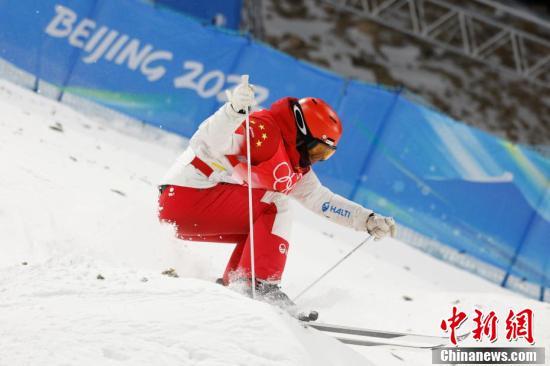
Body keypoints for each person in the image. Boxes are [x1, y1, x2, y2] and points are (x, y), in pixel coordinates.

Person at [158, 76, 396, 301]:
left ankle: (237, 287)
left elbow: (321, 199)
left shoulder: (294, 164)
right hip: (187, 194)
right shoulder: (265, 133)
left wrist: (366, 219)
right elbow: (212, 140)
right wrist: (232, 112)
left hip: (189, 205)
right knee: (275, 202)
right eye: (317, 149)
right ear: (303, 132)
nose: (316, 159)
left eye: (326, 154)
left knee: (262, 229)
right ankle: (259, 286)